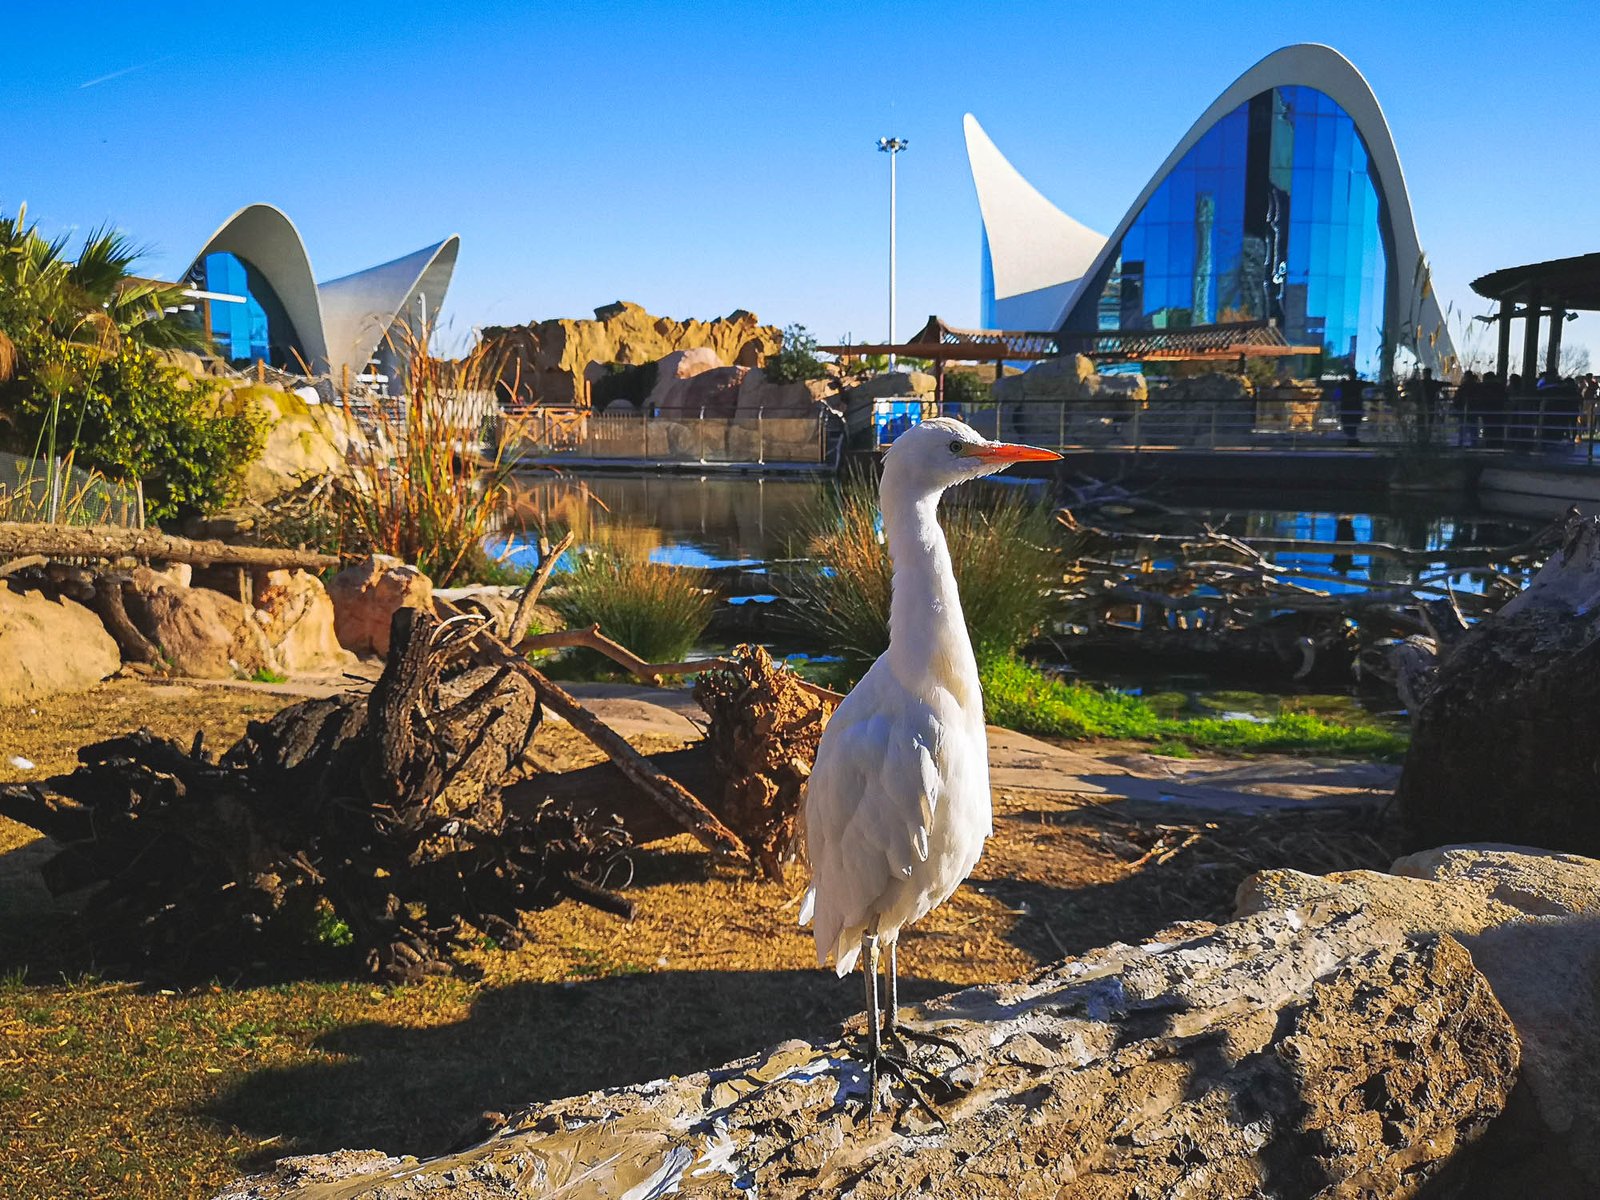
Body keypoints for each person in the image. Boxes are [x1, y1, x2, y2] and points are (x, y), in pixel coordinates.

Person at [1336, 370, 1364, 445]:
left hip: (1347, 406)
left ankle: (1351, 439)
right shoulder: (1358, 383)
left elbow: (1337, 390)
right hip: (1355, 406)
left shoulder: (1344, 384)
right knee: (1353, 424)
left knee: (1349, 424)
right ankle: (1352, 439)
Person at [1454, 370, 1479, 446]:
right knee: (1473, 428)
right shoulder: (1475, 386)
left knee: (1463, 427)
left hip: (1464, 409)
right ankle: (1474, 443)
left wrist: (1457, 406)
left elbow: (1457, 398)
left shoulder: (1463, 386)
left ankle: (1461, 443)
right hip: (1473, 409)